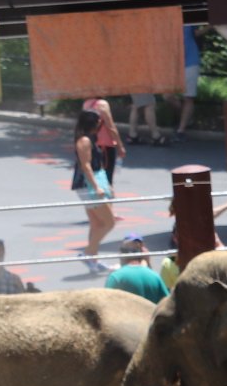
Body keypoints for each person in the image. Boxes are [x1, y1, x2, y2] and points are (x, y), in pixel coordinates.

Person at [72, 107, 116, 272]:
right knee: (109, 222)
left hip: (95, 181)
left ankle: (93, 260)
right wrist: (97, 187)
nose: (100, 124)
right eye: (100, 122)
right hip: (90, 185)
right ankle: (88, 253)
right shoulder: (84, 141)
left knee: (97, 223)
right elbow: (86, 166)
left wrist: (106, 184)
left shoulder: (90, 139)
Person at [104, 236, 170, 303]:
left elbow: (105, 304)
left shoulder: (116, 277)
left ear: (121, 254)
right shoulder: (155, 276)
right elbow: (167, 304)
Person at [81, 97, 125, 189]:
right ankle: (106, 199)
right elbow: (110, 126)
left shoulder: (86, 103)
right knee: (107, 175)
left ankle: (97, 195)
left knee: (96, 173)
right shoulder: (102, 104)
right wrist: (120, 146)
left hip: (92, 143)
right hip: (105, 145)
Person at [171, 25, 199, 140]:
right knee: (167, 95)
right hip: (174, 61)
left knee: (188, 97)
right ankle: (186, 117)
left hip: (191, 60)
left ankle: (181, 129)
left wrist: (211, 26)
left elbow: (196, 33)